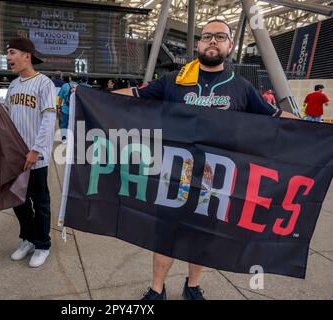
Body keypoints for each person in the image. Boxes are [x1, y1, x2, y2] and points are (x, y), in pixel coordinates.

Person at [114, 19, 297, 300]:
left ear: (230, 45)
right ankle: (157, 289)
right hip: (174, 174)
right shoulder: (174, 80)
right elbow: (135, 96)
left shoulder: (242, 88)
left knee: (201, 235)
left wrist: (316, 129)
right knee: (165, 235)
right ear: (198, 44)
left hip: (217, 179)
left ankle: (192, 286)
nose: (213, 41)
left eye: (220, 36)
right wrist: (89, 96)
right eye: (207, 36)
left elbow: (275, 119)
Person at [4, 37, 56, 267]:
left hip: (35, 157)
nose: (8, 57)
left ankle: (42, 244)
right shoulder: (13, 85)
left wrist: (36, 150)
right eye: (8, 53)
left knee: (40, 201)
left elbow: (49, 118)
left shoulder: (44, 83)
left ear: (27, 55)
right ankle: (28, 238)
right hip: (15, 156)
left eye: (12, 52)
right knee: (18, 200)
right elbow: (5, 118)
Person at [58, 73, 77, 144]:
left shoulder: (65, 86)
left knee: (64, 124)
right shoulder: (79, 87)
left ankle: (64, 138)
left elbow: (60, 97)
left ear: (70, 78)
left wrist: (59, 107)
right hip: (75, 110)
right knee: (73, 124)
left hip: (66, 109)